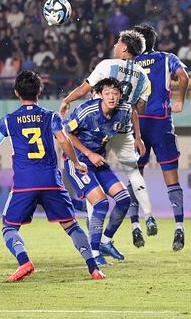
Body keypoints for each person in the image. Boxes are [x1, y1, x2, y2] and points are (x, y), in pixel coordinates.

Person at [0, 70, 106, 281]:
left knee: (9, 227)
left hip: (24, 183)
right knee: (71, 225)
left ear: (16, 93)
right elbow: (64, 141)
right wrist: (76, 163)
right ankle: (94, 268)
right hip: (51, 181)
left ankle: (24, 262)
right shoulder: (51, 117)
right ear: (39, 90)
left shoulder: (8, 121)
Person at [59, 30, 155, 234]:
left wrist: (67, 100)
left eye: (117, 43)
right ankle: (145, 217)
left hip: (95, 123)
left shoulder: (107, 65)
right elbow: (139, 108)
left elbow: (85, 89)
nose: (114, 46)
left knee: (93, 181)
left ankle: (94, 229)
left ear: (124, 48)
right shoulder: (143, 76)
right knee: (131, 172)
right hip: (120, 126)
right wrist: (137, 136)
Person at [131, 24, 189, 251]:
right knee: (172, 179)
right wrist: (181, 100)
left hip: (137, 124)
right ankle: (179, 228)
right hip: (161, 123)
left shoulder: (129, 63)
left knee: (135, 176)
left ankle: (135, 226)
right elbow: (183, 76)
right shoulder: (167, 58)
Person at [64, 77, 134, 265]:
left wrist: (139, 139)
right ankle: (94, 255)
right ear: (100, 95)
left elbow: (130, 119)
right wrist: (88, 153)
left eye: (115, 93)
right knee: (101, 203)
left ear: (120, 95)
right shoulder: (88, 110)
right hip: (77, 162)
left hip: (98, 162)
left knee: (124, 199)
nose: (111, 97)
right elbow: (66, 134)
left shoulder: (124, 110)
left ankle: (105, 242)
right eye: (107, 93)